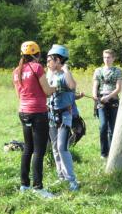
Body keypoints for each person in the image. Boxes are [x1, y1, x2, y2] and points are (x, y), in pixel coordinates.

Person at [13, 41, 56, 198]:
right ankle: (38, 187)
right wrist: (56, 87)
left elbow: (19, 94)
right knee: (39, 150)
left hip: (23, 112)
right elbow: (47, 91)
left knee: (28, 149)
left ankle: (24, 185)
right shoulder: (37, 68)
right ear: (36, 55)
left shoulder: (16, 71)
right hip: (38, 112)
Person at [45, 45, 79, 191]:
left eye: (50, 60)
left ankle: (72, 181)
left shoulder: (65, 73)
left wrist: (66, 70)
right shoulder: (49, 74)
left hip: (65, 116)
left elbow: (72, 86)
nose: (47, 62)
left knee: (62, 147)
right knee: (54, 148)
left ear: (58, 60)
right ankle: (61, 177)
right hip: (51, 116)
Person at [92, 49, 122, 158]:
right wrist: (94, 95)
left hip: (113, 100)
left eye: (109, 57)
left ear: (113, 58)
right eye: (105, 57)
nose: (106, 59)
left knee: (112, 127)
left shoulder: (118, 71)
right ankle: (104, 153)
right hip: (101, 101)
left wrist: (108, 97)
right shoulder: (98, 71)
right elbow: (95, 85)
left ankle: (112, 152)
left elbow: (119, 88)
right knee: (103, 126)